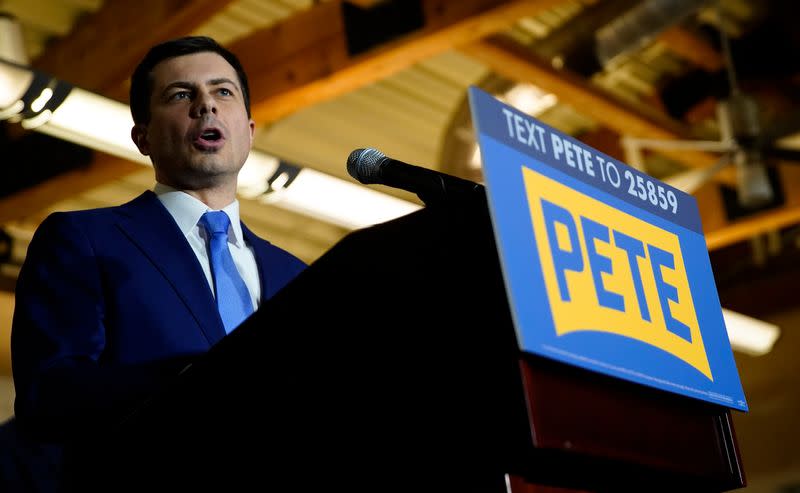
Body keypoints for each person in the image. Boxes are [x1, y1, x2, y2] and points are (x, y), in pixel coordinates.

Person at [6, 36, 307, 491]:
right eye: (181, 94)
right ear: (142, 136)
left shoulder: (296, 276)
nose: (206, 106)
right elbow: (49, 395)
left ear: (249, 128)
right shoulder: (84, 239)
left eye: (223, 92)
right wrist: (188, 382)